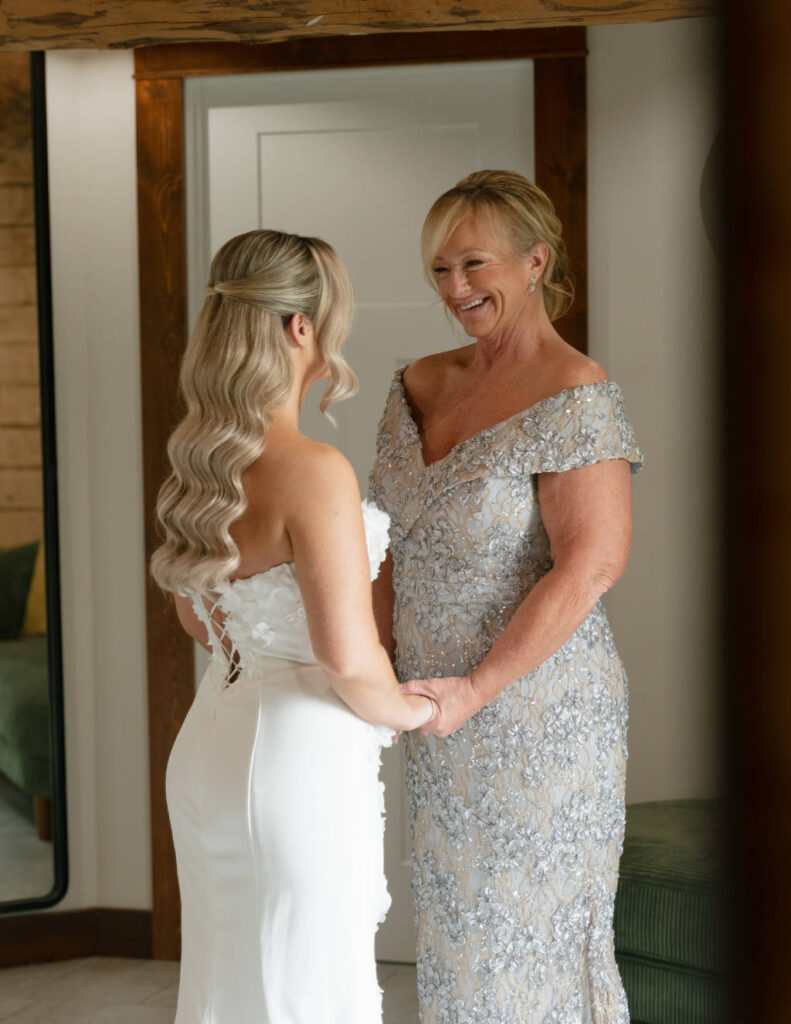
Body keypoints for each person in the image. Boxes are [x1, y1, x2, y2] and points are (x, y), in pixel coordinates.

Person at [369, 170, 644, 1022]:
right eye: (439, 269)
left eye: (473, 264)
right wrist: (376, 667)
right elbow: (381, 544)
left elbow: (591, 565)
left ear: (534, 260)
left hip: (539, 718)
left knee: (534, 942)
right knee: (459, 940)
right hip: (433, 718)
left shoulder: (575, 392)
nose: (454, 289)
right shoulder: (414, 383)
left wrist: (477, 688)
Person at [151, 229, 436, 1024]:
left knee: (229, 983)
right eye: (332, 316)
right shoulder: (313, 470)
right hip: (296, 763)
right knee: (305, 989)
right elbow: (347, 657)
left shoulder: (200, 466)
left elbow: (200, 623)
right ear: (301, 328)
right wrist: (418, 708)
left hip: (210, 747)